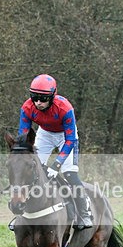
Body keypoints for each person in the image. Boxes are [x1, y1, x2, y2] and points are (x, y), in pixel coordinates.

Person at [17, 74, 93, 228]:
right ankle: (22, 214)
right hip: (44, 134)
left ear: (52, 96)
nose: (38, 102)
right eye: (34, 97)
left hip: (66, 136)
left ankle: (84, 213)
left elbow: (70, 140)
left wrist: (56, 165)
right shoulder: (27, 108)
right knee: (32, 171)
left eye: (43, 98)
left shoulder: (64, 108)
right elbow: (23, 138)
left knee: (69, 174)